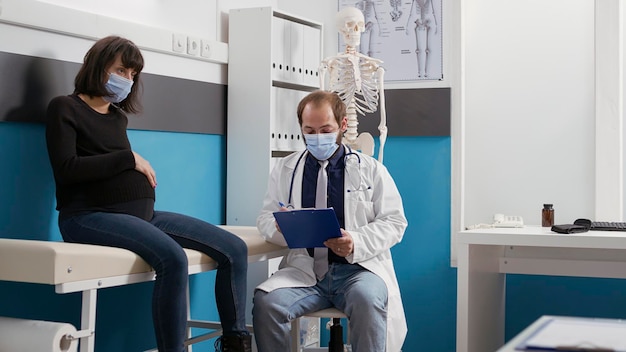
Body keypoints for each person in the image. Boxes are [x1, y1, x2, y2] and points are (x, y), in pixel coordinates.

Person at [45, 35, 251, 352]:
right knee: (172, 258)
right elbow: (68, 169)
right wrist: (129, 159)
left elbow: (109, 166)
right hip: (88, 216)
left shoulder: (117, 118)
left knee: (234, 249)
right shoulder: (65, 108)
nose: (127, 79)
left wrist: (129, 165)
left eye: (133, 74)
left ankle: (236, 342)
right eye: (122, 70)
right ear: (99, 66)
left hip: (143, 216)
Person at [252, 90, 408, 352]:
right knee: (267, 303)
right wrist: (281, 226)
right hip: (305, 270)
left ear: (342, 125)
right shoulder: (285, 169)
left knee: (367, 299)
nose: (317, 137)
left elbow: (395, 222)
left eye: (325, 129)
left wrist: (355, 241)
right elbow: (265, 218)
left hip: (357, 271)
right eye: (309, 131)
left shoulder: (371, 169)